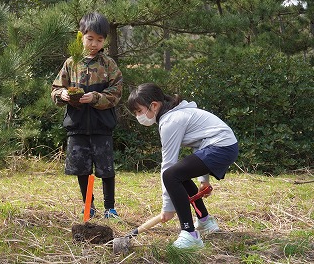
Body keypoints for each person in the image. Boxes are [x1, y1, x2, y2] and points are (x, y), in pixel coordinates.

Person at [126, 83, 238, 248]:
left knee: (171, 175)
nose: (138, 116)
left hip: (221, 146)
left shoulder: (171, 120)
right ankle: (205, 221)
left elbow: (168, 165)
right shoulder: (177, 113)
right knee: (179, 175)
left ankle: (189, 234)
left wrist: (168, 206)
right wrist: (203, 180)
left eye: (139, 111)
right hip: (225, 145)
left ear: (154, 105)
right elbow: (199, 144)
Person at [51, 12, 123, 219]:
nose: (94, 44)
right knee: (83, 169)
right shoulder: (71, 64)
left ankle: (110, 208)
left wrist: (95, 97)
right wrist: (62, 94)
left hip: (102, 126)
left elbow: (117, 93)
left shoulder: (109, 64)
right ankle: (89, 206)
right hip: (77, 126)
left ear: (104, 41)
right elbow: (55, 90)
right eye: (90, 38)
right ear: (80, 36)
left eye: (99, 40)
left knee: (106, 168)